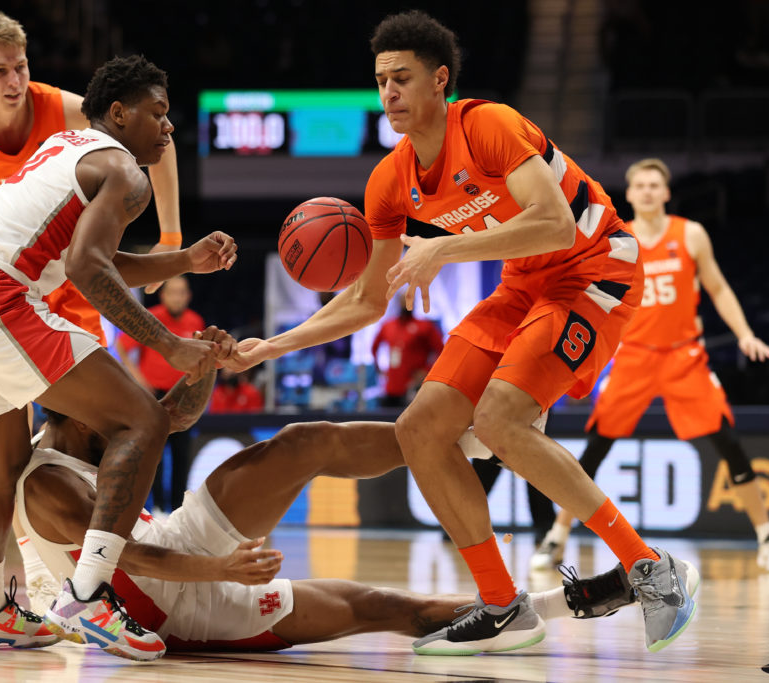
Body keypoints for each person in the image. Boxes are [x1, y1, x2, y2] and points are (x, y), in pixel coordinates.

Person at [227, 11, 696, 654]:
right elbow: (367, 300)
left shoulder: (488, 125)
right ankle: (504, 606)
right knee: (418, 430)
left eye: (402, 77)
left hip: (594, 269)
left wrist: (442, 252)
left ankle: (652, 570)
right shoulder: (388, 181)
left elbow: (556, 224)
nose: (388, 92)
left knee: (501, 420)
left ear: (439, 80)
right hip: (522, 284)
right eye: (380, 80)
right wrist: (273, 346)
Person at [0, 54, 237, 661]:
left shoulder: (67, 147)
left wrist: (184, 260)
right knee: (143, 419)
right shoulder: (125, 171)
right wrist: (166, 342)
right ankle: (88, 593)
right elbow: (91, 269)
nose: (169, 129)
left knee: (2, 460)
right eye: (159, 114)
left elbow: (90, 256)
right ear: (119, 112)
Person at [18, 358, 674, 653]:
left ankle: (458, 439)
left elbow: (169, 417)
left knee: (302, 443)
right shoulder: (48, 481)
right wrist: (222, 573)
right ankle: (579, 600)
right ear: (72, 409)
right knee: (388, 608)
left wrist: (209, 362)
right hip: (176, 603)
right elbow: (119, 554)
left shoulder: (107, 427)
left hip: (182, 544)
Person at [535, 158, 769, 573]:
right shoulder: (617, 239)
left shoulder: (690, 234)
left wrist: (744, 333)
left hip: (683, 355)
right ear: (631, 193)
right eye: (641, 185)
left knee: (728, 441)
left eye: (656, 184)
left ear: (667, 192)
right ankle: (556, 538)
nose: (649, 191)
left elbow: (719, 288)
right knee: (597, 447)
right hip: (632, 356)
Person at [0, 12, 185, 347]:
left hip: (62, 264)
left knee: (89, 390)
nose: (14, 81)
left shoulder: (62, 108)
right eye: (0, 71)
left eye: (20, 66)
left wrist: (171, 234)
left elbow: (156, 132)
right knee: (10, 393)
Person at [117, 275, 203, 512]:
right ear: (163, 295)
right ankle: (155, 508)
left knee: (182, 454)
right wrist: (139, 379)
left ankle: (177, 509)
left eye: (181, 292)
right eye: (172, 292)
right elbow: (123, 346)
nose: (177, 297)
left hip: (184, 396)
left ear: (188, 296)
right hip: (154, 397)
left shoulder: (195, 321)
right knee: (154, 454)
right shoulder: (150, 318)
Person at [371, 298, 444, 407]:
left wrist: (427, 370)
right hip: (391, 386)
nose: (405, 303)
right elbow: (374, 347)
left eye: (409, 299)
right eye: (403, 300)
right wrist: (379, 369)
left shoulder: (424, 326)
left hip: (413, 385)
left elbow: (442, 351)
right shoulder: (388, 325)